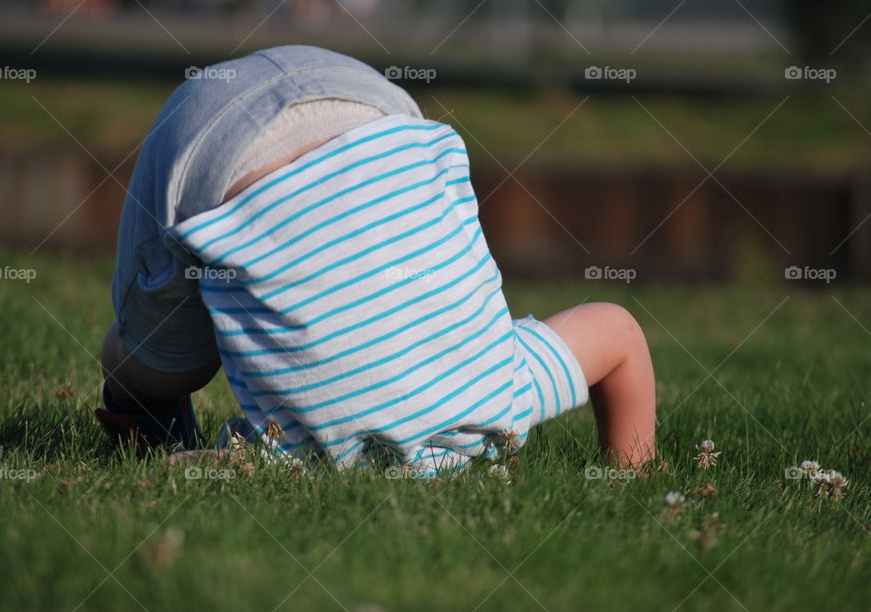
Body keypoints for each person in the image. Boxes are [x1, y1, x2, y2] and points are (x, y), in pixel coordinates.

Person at [96, 45, 656, 474]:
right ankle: (138, 395)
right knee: (168, 364)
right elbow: (191, 469)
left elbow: (618, 333)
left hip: (369, 104)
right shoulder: (301, 457)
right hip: (210, 136)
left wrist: (631, 472)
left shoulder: (503, 398)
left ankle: (152, 387)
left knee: (187, 336)